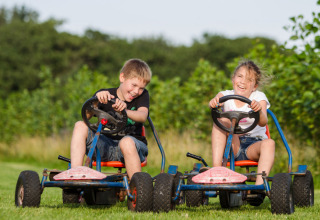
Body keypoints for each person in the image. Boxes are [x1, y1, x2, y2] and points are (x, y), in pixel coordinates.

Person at [70, 58, 152, 180]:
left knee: (127, 142)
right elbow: (86, 117)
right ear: (122, 78)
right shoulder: (104, 95)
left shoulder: (143, 96)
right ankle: (75, 174)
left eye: (141, 88)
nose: (136, 91)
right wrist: (96, 102)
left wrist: (125, 111)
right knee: (79, 125)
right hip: (105, 146)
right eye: (134, 85)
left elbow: (142, 116)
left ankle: (137, 188)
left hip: (133, 148)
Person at [209, 60, 275, 186]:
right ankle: (217, 170)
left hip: (254, 146)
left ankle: (259, 186)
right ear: (233, 79)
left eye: (249, 80)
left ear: (254, 86)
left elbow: (263, 122)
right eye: (240, 76)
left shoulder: (258, 97)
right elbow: (214, 101)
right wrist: (214, 102)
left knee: (270, 143)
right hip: (233, 144)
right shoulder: (225, 95)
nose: (243, 82)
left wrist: (259, 111)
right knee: (221, 121)